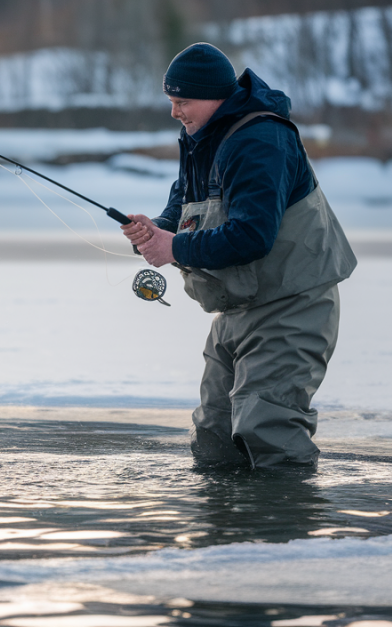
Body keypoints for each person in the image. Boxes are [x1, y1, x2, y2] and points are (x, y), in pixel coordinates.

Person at [121, 43, 356, 469]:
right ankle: (226, 533)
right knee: (214, 435)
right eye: (171, 102)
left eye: (182, 102)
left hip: (293, 305)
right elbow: (184, 203)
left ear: (215, 97)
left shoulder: (261, 139)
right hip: (235, 308)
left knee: (268, 428)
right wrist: (157, 229)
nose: (175, 112)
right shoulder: (199, 135)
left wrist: (171, 247)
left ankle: (286, 525)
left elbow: (252, 235)